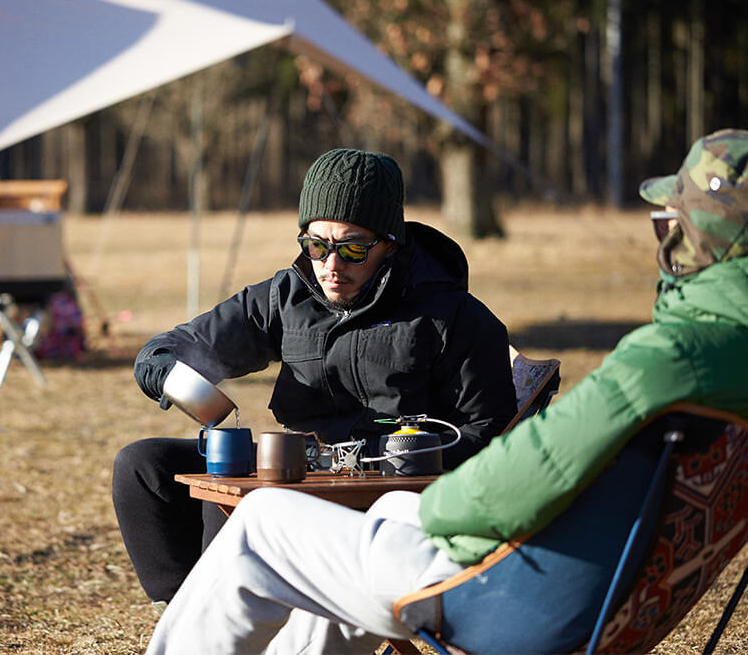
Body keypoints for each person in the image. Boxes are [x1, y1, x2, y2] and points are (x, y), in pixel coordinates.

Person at [143, 128, 748, 654]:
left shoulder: (669, 359)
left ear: (692, 240)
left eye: (665, 223)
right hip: (594, 596)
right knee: (369, 525)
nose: (330, 262)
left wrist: (414, 498)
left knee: (262, 521)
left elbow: (513, 473)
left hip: (510, 599)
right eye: (316, 245)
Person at [112, 148, 518, 605]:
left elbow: (492, 435)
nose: (331, 264)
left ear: (391, 243)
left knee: (236, 492)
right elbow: (186, 342)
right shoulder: (289, 295)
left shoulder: (453, 317)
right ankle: (187, 612)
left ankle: (223, 620)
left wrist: (405, 452)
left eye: (352, 248)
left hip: (386, 494)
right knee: (144, 466)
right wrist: (162, 365)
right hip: (300, 469)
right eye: (317, 244)